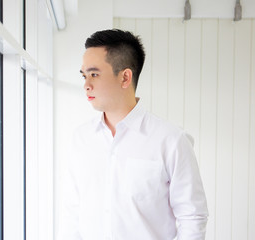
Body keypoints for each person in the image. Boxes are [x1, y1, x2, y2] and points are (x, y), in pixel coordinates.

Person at [57, 29, 208, 240]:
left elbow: (192, 218)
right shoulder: (80, 139)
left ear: (125, 77)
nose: (86, 85)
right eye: (84, 75)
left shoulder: (171, 141)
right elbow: (72, 212)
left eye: (94, 74)